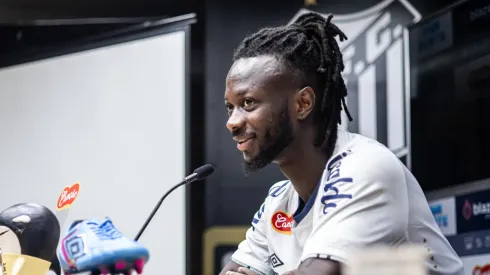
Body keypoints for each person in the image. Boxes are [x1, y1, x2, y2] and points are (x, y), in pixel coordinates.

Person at [220, 12, 463, 275]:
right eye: (229, 107)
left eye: (248, 103)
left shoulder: (364, 168)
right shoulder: (277, 202)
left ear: (302, 104)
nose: (232, 122)